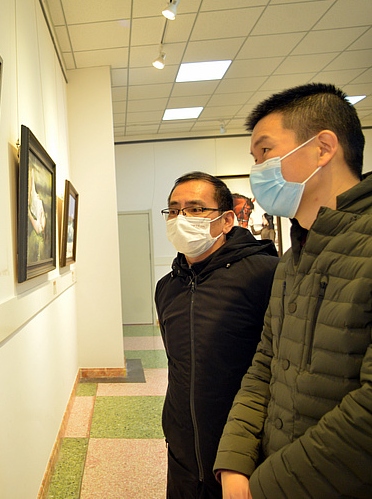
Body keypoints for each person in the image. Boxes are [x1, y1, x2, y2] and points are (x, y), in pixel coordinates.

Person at [214, 83, 372, 498]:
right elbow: (266, 367)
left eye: (265, 153)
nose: (257, 171)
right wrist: (236, 463)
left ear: (323, 148)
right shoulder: (295, 257)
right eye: (253, 160)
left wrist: (264, 489)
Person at [156, 172, 278, 499]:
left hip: (242, 452)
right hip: (181, 449)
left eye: (196, 209)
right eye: (174, 210)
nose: (182, 218)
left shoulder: (265, 275)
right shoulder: (167, 288)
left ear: (226, 221)